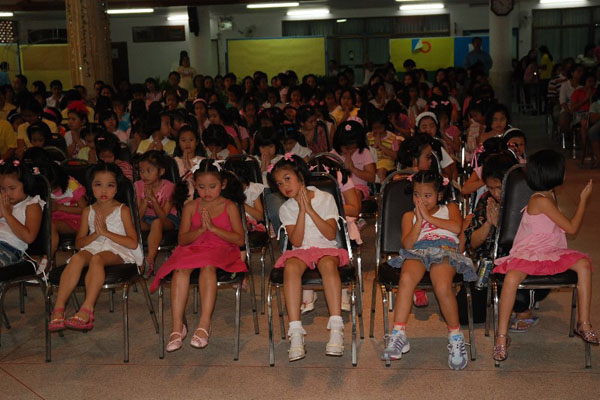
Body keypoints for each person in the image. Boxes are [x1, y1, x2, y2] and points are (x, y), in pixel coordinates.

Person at [492, 150, 596, 362]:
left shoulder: (549, 195)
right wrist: (583, 200)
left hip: (550, 251)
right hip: (530, 252)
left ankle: (583, 323)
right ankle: (501, 336)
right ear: (552, 173)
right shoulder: (541, 200)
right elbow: (572, 228)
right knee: (511, 279)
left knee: (584, 265)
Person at [381, 170, 476, 370]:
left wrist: (427, 218)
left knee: (442, 286)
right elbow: (408, 244)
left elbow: (456, 228)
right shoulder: (409, 216)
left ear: (439, 195)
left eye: (427, 195)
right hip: (418, 251)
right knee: (406, 279)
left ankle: (455, 336)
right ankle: (398, 334)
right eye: (417, 195)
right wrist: (419, 221)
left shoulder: (450, 208)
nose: (421, 200)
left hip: (445, 249)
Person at [150, 160, 246, 352]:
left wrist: (214, 229)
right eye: (201, 187)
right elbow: (182, 239)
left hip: (222, 248)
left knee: (208, 266)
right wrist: (201, 229)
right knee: (180, 270)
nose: (207, 191)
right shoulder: (190, 207)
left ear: (223, 184)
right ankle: (177, 326)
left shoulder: (229, 206)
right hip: (193, 248)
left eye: (212, 186)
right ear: (194, 184)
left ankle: (204, 323)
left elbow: (239, 239)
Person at [267, 155, 349, 361]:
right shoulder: (286, 208)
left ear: (301, 176)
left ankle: (336, 329)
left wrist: (310, 210)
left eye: (287, 179)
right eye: (279, 183)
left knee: (328, 265)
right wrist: (301, 211)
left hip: (326, 248)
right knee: (291, 267)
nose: (284, 186)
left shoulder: (325, 198)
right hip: (301, 250)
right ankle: (295, 332)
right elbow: (296, 240)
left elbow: (330, 234)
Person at [47, 163, 142, 332]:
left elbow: (133, 243)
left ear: (116, 188)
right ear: (91, 186)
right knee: (77, 258)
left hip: (119, 248)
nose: (103, 190)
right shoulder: (88, 211)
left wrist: (106, 232)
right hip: (94, 245)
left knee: (97, 259)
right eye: (98, 185)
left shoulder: (122, 210)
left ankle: (87, 309)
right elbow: (79, 243)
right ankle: (59, 309)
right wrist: (96, 234)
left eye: (110, 185)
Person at [135, 150, 180, 276]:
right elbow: (138, 215)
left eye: (149, 171)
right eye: (141, 171)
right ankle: (132, 260)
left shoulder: (169, 187)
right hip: (146, 218)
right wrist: (145, 200)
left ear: (161, 172)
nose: (144, 175)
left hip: (167, 219)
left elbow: (163, 216)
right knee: (132, 224)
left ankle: (149, 260)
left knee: (157, 222)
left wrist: (153, 200)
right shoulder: (138, 185)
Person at [0, 160, 44, 267]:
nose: (7, 193)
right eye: (2, 189)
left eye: (12, 188)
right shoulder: (2, 201)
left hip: (9, 248)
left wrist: (7, 215)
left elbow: (29, 238)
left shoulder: (31, 205)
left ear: (25, 184)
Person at [47, 162, 87, 254]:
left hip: (73, 220)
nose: (52, 192)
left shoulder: (72, 185)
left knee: (51, 225)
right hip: (52, 218)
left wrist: (59, 207)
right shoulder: (43, 186)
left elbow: (84, 209)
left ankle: (48, 257)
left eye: (54, 189)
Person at [330, 120, 376, 201]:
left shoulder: (364, 152)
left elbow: (371, 177)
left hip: (359, 188)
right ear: (339, 144)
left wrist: (353, 169)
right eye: (347, 148)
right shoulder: (332, 156)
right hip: (339, 189)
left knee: (356, 193)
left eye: (353, 148)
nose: (350, 151)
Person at [367, 109, 401, 182]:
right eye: (375, 128)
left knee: (381, 170)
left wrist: (381, 146)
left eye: (380, 127)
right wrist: (375, 145)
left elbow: (396, 156)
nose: (378, 130)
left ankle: (382, 187)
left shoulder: (392, 137)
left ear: (385, 126)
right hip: (371, 161)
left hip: (386, 162)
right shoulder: (368, 136)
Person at [174, 125, 204, 201]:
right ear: (178, 143)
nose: (187, 143)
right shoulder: (174, 161)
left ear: (197, 142)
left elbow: (204, 183)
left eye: (191, 140)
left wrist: (190, 169)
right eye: (183, 140)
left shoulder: (202, 161)